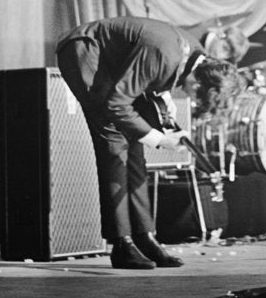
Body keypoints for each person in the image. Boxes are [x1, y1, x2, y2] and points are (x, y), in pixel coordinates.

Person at [56, 16, 243, 269]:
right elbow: (116, 104)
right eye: (197, 98)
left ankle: (145, 237)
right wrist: (159, 139)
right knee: (114, 145)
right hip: (86, 50)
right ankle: (121, 244)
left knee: (134, 150)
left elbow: (158, 80)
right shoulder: (164, 53)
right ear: (198, 82)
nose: (192, 100)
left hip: (113, 60)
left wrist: (168, 117)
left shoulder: (192, 54)